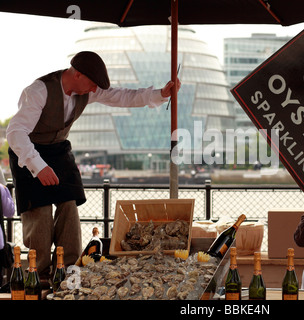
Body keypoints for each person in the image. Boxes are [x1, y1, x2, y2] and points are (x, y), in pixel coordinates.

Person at [6, 51, 181, 288]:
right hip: (27, 151)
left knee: (69, 204)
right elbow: (15, 133)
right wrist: (39, 167)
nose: (93, 90)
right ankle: (41, 273)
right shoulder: (39, 91)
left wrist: (160, 94)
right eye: (91, 84)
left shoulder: (87, 89)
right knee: (40, 211)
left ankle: (68, 271)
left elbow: (122, 96)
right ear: (77, 74)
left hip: (58, 151)